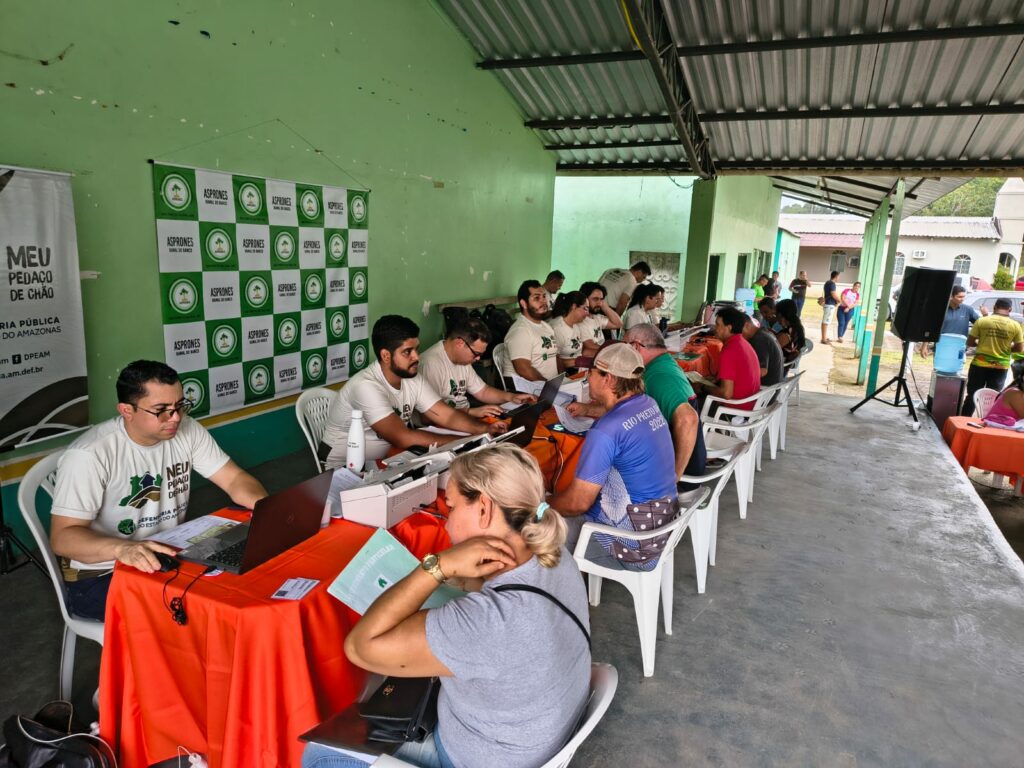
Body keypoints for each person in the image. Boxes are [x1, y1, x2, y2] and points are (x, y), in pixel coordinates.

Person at [303, 444, 590, 768]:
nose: (446, 523)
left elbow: (360, 647)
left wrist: (436, 566)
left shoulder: (487, 623)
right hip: (530, 735)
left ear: (483, 509)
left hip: (478, 755)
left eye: (450, 508)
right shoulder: (553, 553)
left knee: (320, 754)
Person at [49, 360, 268, 620]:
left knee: (244, 584)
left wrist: (268, 511)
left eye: (179, 406)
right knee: (199, 612)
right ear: (127, 410)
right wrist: (123, 549)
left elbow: (234, 479)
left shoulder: (186, 430)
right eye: (161, 410)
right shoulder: (89, 455)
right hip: (102, 575)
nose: (175, 418)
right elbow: (63, 538)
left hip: (168, 555)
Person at [548, 343, 678, 569]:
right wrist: (588, 410)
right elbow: (619, 415)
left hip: (636, 548)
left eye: (592, 372)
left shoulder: (604, 432)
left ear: (607, 379)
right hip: (663, 530)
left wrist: (542, 504)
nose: (587, 378)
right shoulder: (648, 404)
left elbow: (577, 503)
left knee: (537, 530)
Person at [322, 315, 505, 469]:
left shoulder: (412, 377)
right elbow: (403, 437)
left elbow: (446, 415)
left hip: (385, 459)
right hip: (343, 468)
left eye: (416, 349)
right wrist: (465, 442)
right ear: (386, 356)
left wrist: (484, 430)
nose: (417, 357)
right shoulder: (365, 386)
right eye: (407, 352)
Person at [418, 318, 534, 417]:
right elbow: (429, 416)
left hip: (463, 417)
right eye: (476, 354)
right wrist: (471, 412)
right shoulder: (430, 364)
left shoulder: (462, 360)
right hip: (438, 426)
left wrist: (512, 397)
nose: (478, 359)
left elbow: (483, 391)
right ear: (460, 343)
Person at [962, 298, 1024, 416]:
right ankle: (989, 423)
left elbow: (970, 342)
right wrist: (1006, 348)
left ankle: (963, 420)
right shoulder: (1015, 325)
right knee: (993, 397)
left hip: (979, 365)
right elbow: (1019, 348)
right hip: (1000, 366)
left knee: (972, 395)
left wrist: (980, 344)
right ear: (1010, 309)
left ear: (995, 307)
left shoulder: (982, 321)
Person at [693, 307, 761, 412]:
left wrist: (703, 387)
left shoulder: (730, 350)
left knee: (688, 403)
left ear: (729, 328)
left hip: (734, 409)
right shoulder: (743, 343)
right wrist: (715, 380)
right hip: (750, 405)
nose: (715, 328)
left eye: (718, 325)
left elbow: (726, 393)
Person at [501, 280, 559, 383]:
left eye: (544, 296)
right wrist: (549, 387)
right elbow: (524, 370)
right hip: (526, 390)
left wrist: (563, 382)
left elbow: (556, 357)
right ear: (524, 304)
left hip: (548, 386)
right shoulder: (520, 331)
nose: (543, 301)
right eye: (536, 298)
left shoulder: (546, 326)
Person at [919, 285, 985, 358]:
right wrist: (924, 346)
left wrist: (985, 315)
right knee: (939, 368)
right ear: (951, 296)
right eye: (959, 297)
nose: (962, 299)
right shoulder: (941, 309)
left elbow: (982, 325)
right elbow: (931, 327)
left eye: (963, 297)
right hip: (941, 347)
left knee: (958, 367)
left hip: (960, 348)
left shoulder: (968, 310)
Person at [577, 281, 622, 356]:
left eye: (601, 299)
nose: (599, 303)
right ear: (584, 299)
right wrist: (612, 351)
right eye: (595, 299)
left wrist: (605, 307)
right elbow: (590, 345)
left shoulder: (597, 317)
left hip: (601, 353)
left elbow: (618, 324)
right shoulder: (581, 320)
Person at [548, 290, 590, 367]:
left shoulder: (576, 324)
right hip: (566, 371)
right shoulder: (557, 328)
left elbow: (580, 351)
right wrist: (579, 362)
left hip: (578, 368)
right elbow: (553, 361)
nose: (588, 313)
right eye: (585, 308)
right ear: (574, 306)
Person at [742, 316, 785, 386]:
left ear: (747, 325)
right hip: (772, 388)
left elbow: (762, 371)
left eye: (737, 330)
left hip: (765, 392)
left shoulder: (759, 340)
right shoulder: (764, 332)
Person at [774, 298, 806, 363]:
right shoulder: (797, 328)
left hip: (779, 368)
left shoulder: (786, 335)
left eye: (776, 314)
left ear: (780, 315)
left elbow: (771, 352)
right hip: (787, 365)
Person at [820, 270, 841, 344]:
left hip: (827, 304)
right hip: (830, 304)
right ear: (836, 276)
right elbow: (833, 294)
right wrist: (839, 300)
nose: (839, 278)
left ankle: (824, 337)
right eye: (839, 276)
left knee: (826, 321)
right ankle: (823, 339)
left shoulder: (827, 282)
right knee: (825, 322)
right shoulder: (832, 284)